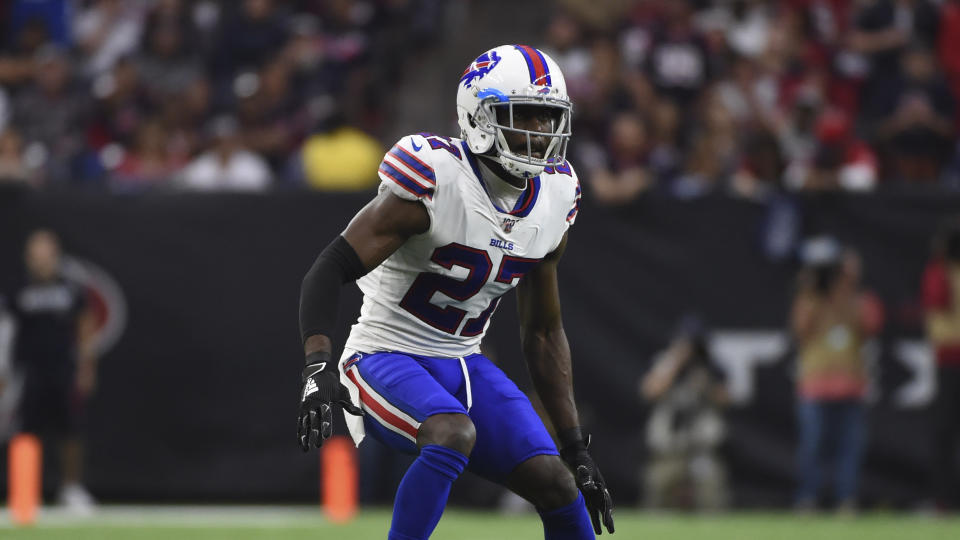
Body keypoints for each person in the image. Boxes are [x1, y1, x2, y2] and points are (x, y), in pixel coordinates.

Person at [296, 45, 614, 539]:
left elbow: (544, 332)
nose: (539, 133)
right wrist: (317, 363)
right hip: (383, 353)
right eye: (524, 116)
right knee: (451, 434)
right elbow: (329, 267)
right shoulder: (436, 175)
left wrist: (574, 446)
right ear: (479, 116)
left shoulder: (554, 197)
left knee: (557, 482)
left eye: (548, 119)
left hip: (462, 361)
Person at [5, 230, 98, 512]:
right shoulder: (18, 288)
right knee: (25, 430)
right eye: (37, 253)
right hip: (29, 369)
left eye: (47, 253)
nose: (42, 259)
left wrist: (86, 365)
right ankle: (24, 489)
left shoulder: (70, 288)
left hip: (63, 368)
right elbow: (5, 329)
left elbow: (85, 324)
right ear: (28, 257)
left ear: (56, 255)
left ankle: (71, 488)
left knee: (70, 429)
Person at [790, 238, 883, 512]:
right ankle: (808, 498)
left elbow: (871, 326)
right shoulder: (809, 298)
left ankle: (846, 500)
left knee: (849, 449)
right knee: (812, 446)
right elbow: (800, 328)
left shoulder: (860, 299)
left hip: (851, 384)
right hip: (815, 385)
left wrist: (847, 287)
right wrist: (811, 289)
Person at [640, 315, 729, 510]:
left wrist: (707, 385)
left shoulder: (709, 367)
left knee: (711, 494)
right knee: (657, 490)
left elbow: (726, 399)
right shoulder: (665, 364)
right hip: (669, 450)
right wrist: (675, 364)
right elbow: (650, 391)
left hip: (702, 449)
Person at [921, 217, 960, 511]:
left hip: (950, 358)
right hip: (949, 362)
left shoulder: (940, 272)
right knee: (945, 432)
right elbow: (936, 301)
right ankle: (943, 500)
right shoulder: (939, 273)